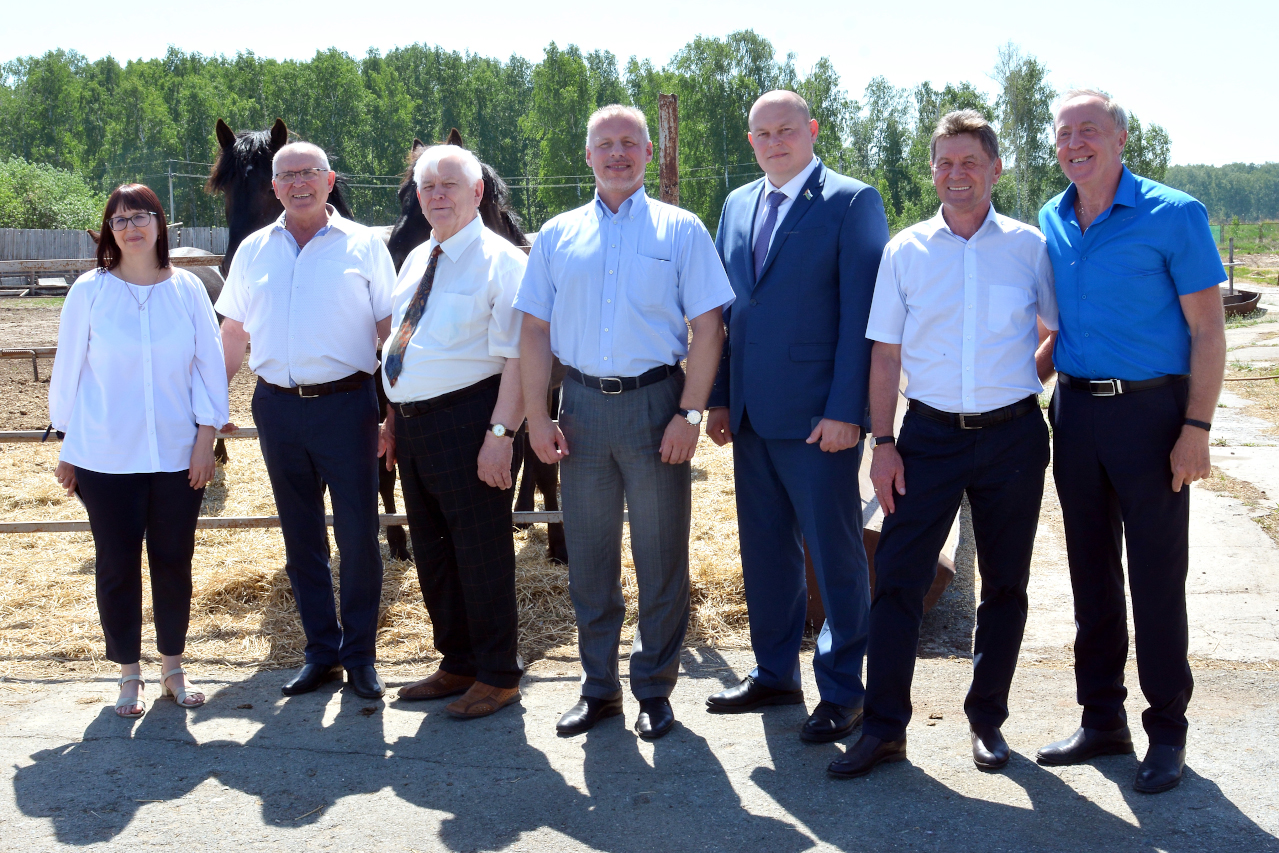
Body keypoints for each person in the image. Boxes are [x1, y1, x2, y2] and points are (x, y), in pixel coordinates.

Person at [828, 111, 1058, 779]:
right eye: (945, 163)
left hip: (1014, 437)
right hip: (926, 438)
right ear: (932, 170)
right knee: (899, 578)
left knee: (1005, 584)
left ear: (995, 169)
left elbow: (1056, 331)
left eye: (970, 162)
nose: (957, 174)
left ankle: (987, 720)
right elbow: (884, 355)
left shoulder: (1029, 248)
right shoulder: (905, 251)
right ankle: (884, 728)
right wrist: (883, 442)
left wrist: (1019, 382)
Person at [516, 104, 734, 740]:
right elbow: (534, 331)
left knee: (661, 557)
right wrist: (537, 417)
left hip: (656, 405)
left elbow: (709, 328)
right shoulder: (556, 235)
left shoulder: (681, 230)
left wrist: (689, 412)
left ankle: (654, 689)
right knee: (589, 559)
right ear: (587, 155)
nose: (617, 153)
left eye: (629, 143)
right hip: (581, 409)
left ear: (648, 152)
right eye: (605, 144)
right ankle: (599, 689)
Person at [1034, 89, 1226, 794]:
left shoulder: (1174, 214)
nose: (1074, 143)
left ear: (1120, 138)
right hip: (1075, 414)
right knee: (1090, 575)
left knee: (1154, 578)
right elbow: (1051, 332)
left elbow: (1208, 330)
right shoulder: (1051, 220)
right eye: (1063, 133)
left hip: (1152, 415)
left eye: (1088, 129)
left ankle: (1166, 730)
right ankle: (1102, 720)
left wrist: (1196, 428)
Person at [703, 90, 889, 744]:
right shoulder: (735, 204)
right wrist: (719, 397)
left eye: (786, 129)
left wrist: (846, 411)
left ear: (811, 130)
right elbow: (728, 312)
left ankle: (843, 691)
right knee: (765, 552)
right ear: (750, 141)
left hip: (818, 420)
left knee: (834, 555)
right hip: (751, 415)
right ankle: (774, 672)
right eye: (762, 132)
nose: (775, 141)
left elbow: (863, 316)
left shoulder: (852, 201)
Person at [217, 141, 397, 700]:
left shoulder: (365, 245)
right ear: (273, 188)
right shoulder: (253, 251)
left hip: (348, 406)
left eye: (309, 173)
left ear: (329, 179)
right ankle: (321, 650)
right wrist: (212, 402)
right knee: (300, 537)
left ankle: (360, 654)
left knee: (358, 534)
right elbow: (232, 332)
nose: (298, 183)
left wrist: (394, 409)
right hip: (277, 407)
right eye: (287, 175)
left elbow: (390, 332)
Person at [49, 183, 229, 717]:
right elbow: (68, 371)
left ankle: (173, 667)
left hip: (178, 456)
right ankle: (129, 673)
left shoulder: (188, 290)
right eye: (120, 219)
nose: (131, 227)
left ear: (159, 223)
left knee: (173, 561)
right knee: (117, 565)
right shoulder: (90, 291)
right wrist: (69, 445)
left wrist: (206, 439)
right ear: (109, 230)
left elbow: (209, 366)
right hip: (106, 457)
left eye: (140, 216)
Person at [378, 144, 529, 718]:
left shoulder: (501, 261)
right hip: (415, 426)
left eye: (450, 185)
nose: (437, 195)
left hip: (471, 421)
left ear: (478, 191)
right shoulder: (419, 257)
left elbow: (518, 359)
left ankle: (498, 674)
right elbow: (405, 342)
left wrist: (501, 435)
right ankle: (458, 661)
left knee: (481, 551)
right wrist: (393, 416)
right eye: (428, 187)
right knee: (434, 552)